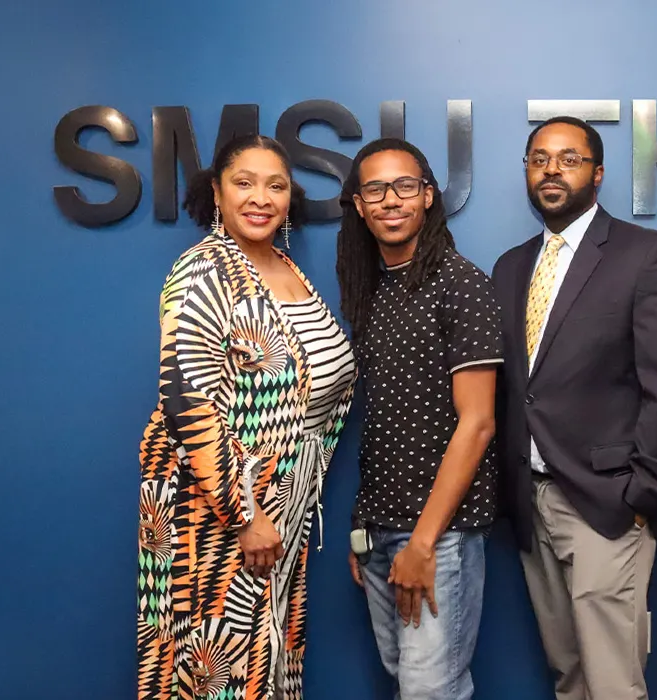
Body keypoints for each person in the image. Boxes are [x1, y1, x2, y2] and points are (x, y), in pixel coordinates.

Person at [136, 134, 357, 700]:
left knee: (268, 659)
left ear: (290, 200)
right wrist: (245, 515)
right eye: (244, 182)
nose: (260, 198)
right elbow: (187, 403)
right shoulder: (202, 271)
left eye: (276, 186)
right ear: (216, 191)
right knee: (218, 670)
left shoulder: (281, 265)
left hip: (283, 501)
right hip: (216, 513)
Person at [491, 116, 657, 700]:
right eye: (539, 159)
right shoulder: (511, 267)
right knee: (570, 676)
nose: (552, 170)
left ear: (599, 173)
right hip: (530, 502)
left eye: (569, 158)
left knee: (612, 684)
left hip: (608, 503)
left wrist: (644, 495)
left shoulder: (645, 254)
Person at [335, 138, 501, 700]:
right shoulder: (374, 291)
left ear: (428, 196)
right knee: (406, 679)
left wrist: (423, 544)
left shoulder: (463, 285)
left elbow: (477, 424)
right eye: (375, 189)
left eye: (405, 186)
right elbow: (379, 422)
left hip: (438, 534)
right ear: (359, 205)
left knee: (431, 690)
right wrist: (365, 531)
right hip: (380, 530)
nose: (390, 200)